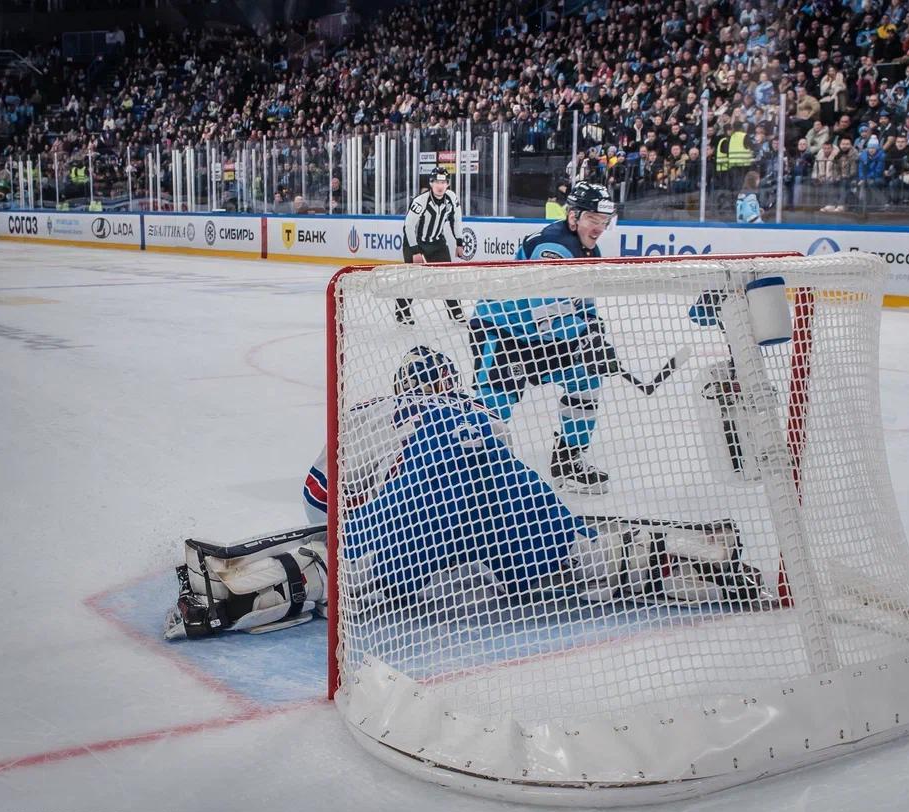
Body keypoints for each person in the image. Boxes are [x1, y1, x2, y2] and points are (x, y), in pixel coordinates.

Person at [303, 346, 759, 609]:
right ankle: (681, 560)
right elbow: (492, 475)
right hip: (492, 484)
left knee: (342, 572)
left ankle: (287, 583)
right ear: (452, 383)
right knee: (580, 559)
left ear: (401, 386)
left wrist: (355, 523)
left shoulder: (370, 411)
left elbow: (316, 500)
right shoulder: (477, 411)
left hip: (416, 509)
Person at [468, 183, 617, 494]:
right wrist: (586, 338)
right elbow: (548, 316)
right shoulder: (553, 245)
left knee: (586, 378)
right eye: (593, 219)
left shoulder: (589, 250)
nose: (600, 228)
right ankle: (472, 474)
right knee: (494, 407)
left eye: (604, 221)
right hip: (503, 331)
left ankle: (567, 462)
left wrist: (595, 333)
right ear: (573, 217)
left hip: (539, 338)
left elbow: (583, 304)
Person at [398, 166, 465, 325]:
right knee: (411, 280)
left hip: (437, 243)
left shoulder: (452, 198)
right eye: (436, 182)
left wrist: (459, 242)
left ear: (448, 184)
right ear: (431, 183)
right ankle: (402, 314)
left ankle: (456, 313)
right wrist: (414, 251)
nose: (440, 185)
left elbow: (456, 220)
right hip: (415, 243)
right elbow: (408, 226)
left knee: (446, 278)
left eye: (443, 182)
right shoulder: (420, 201)